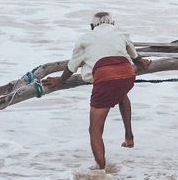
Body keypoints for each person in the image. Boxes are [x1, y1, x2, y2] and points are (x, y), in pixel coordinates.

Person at [43, 12, 148, 170]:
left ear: (92, 26)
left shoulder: (85, 38)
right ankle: (129, 136)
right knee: (121, 94)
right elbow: (135, 56)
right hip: (127, 75)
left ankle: (101, 172)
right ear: (112, 23)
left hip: (105, 80)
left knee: (95, 129)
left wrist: (60, 81)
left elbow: (72, 66)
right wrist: (142, 64)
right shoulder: (120, 32)